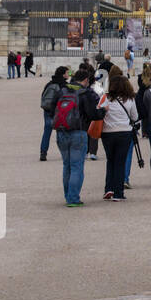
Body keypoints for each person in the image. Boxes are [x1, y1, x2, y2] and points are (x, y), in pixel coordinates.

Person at [54, 68, 103, 207]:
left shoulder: (62, 90)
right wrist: (103, 112)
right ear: (86, 80)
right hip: (78, 131)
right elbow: (94, 114)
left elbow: (53, 109)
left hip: (61, 131)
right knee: (77, 166)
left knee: (67, 165)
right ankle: (73, 198)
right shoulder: (85, 93)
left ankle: (67, 195)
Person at [99, 75, 140, 201]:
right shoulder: (130, 99)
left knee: (110, 160)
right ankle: (118, 192)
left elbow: (99, 112)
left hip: (108, 132)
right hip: (124, 132)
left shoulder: (105, 98)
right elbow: (134, 116)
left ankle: (109, 188)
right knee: (120, 162)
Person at [38, 66, 70, 161]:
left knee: (47, 132)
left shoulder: (49, 84)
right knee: (61, 132)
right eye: (67, 73)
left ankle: (43, 152)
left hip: (47, 110)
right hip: (58, 111)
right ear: (63, 74)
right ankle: (64, 152)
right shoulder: (64, 85)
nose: (68, 75)